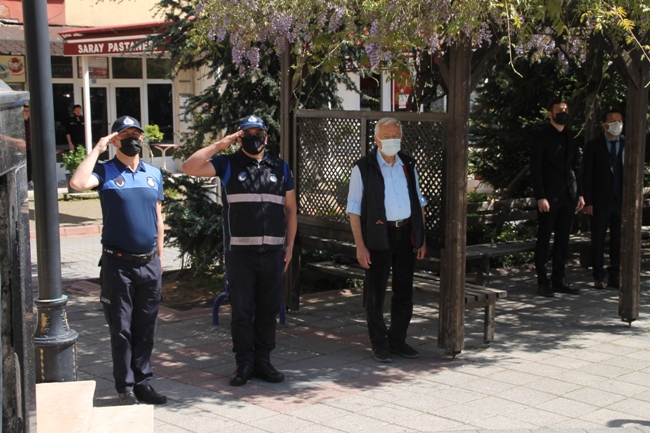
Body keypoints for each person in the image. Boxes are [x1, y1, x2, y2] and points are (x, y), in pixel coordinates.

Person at [181, 115, 297, 386]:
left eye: (258, 133)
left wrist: (290, 245)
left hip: (273, 253)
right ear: (239, 137)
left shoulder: (280, 167)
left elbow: (291, 209)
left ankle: (263, 362)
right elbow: (189, 167)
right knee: (242, 312)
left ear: (266, 136)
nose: (254, 138)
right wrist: (220, 145)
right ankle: (244, 364)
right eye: (247, 134)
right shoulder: (228, 163)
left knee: (268, 311)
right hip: (240, 255)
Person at [69, 115, 166, 406]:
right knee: (121, 329)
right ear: (115, 140)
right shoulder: (105, 171)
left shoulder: (153, 173)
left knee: (146, 328)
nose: (132, 139)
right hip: (118, 265)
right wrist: (97, 149)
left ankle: (143, 382)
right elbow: (78, 183)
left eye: (136, 133)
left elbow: (158, 218)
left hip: (149, 263)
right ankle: (125, 387)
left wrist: (160, 259)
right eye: (125, 135)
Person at [346, 117, 427, 363]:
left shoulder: (408, 165)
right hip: (378, 236)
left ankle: (398, 340)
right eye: (387, 136)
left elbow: (419, 202)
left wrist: (421, 237)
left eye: (396, 136)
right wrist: (360, 246)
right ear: (376, 139)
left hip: (406, 235)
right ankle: (379, 343)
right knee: (376, 293)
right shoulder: (363, 167)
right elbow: (354, 209)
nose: (392, 140)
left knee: (404, 292)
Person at [530, 98, 585, 298]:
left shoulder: (571, 136)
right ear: (550, 113)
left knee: (563, 240)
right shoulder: (541, 137)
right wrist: (540, 196)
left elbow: (576, 167)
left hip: (569, 196)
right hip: (549, 197)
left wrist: (580, 193)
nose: (563, 113)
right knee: (544, 239)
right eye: (559, 110)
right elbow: (536, 169)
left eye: (565, 110)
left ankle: (559, 279)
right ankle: (543, 281)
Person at [582, 110, 624, 289]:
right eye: (613, 121)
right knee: (598, 238)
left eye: (620, 121)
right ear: (604, 125)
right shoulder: (594, 146)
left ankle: (615, 274)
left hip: (620, 200)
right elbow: (586, 174)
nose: (617, 124)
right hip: (600, 201)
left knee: (618, 239)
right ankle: (598, 275)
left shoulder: (627, 144)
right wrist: (588, 200)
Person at [23, 104, 33, 188]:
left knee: (30, 164)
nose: (26, 112)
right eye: (25, 111)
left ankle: (30, 179)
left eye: (28, 111)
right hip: (20, 147)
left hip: (30, 146)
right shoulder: (19, 122)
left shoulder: (31, 122)